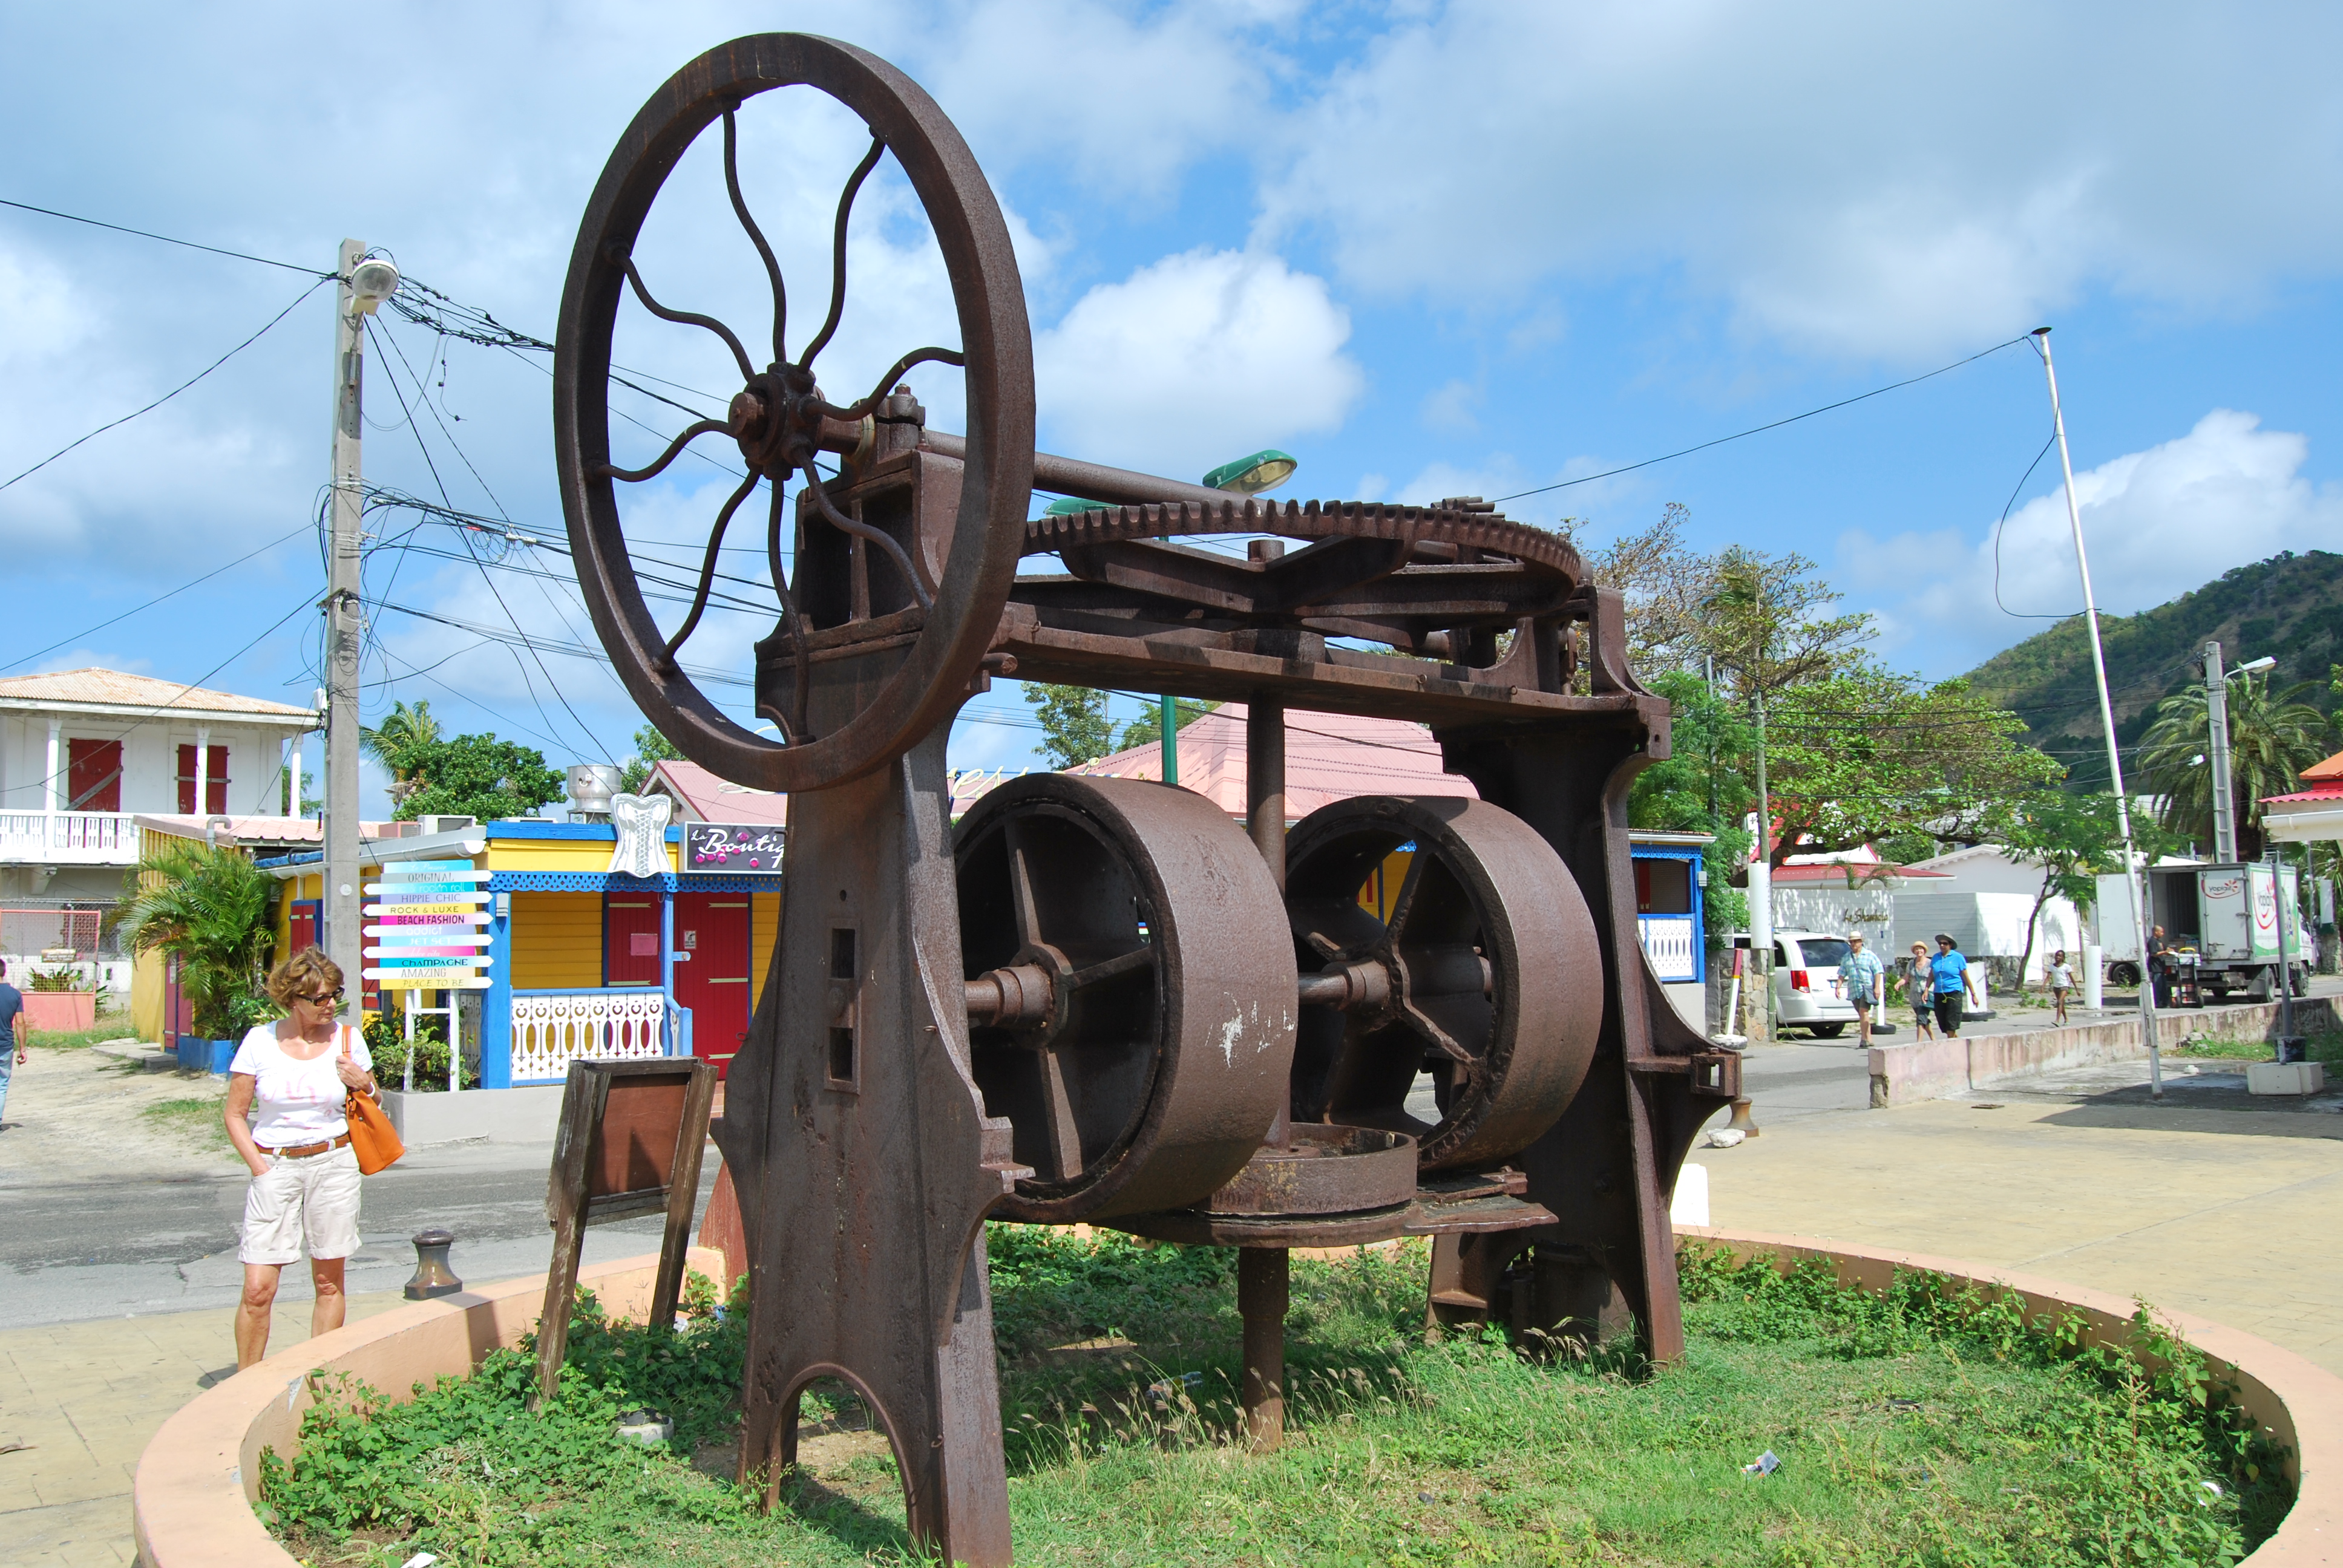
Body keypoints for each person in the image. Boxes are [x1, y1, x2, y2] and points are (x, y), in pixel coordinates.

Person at [224, 949, 378, 1370]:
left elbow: (374, 1097)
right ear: (293, 999)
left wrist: (363, 1083)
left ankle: (321, 1383)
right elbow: (234, 1114)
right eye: (320, 998)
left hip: (334, 1162)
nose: (330, 1005)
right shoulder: (260, 1042)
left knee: (329, 1281)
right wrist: (260, 1167)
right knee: (258, 1288)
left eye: (335, 995)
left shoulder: (347, 1040)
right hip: (275, 1166)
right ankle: (248, 1384)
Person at [1929, 934, 1982, 1038]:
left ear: (1951, 945)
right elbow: (1931, 975)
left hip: (1954, 992)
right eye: (1941, 944)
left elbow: (1966, 977)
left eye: (1945, 944)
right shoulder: (1936, 957)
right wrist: (1927, 989)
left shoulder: (1958, 958)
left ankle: (1951, 1047)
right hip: (1939, 992)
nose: (1942, 946)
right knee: (1943, 1023)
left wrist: (1973, 994)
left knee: (1952, 1023)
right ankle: (1957, 1042)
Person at [1839, 932, 1886, 1046]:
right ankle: (1869, 1039)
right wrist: (1838, 987)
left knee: (1864, 1012)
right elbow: (1842, 973)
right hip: (1854, 990)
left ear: (1861, 942)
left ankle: (1864, 1039)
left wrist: (1877, 988)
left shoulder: (1870, 955)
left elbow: (1878, 972)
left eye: (1856, 941)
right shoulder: (1847, 957)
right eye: (1851, 942)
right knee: (1862, 1015)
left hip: (1867, 988)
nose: (1854, 944)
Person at [0, 960, 25, 1128]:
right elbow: (21, 1023)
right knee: (2, 1084)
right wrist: (23, 1048)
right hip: (5, 1045)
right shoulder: (15, 995)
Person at [1901, 942, 1936, 1039]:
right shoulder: (1911, 963)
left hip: (1926, 994)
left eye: (1921, 949)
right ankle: (1933, 1039)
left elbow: (1934, 977)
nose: (1919, 951)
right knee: (1922, 1017)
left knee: (1921, 1018)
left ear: (1924, 951)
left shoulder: (1930, 963)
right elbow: (1907, 977)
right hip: (1914, 996)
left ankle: (1919, 1043)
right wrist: (1899, 983)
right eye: (1917, 949)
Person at [2045, 949, 2075, 1026]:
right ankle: (2066, 1019)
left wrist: (2077, 989)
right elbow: (2048, 977)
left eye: (2060, 956)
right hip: (2056, 987)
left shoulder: (2066, 967)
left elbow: (2071, 978)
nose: (2058, 957)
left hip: (2064, 986)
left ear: (2063, 958)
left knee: (2059, 1002)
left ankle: (2057, 1021)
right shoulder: (2052, 967)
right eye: (2057, 955)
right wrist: (2043, 986)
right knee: (2061, 1004)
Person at [2146, 925, 2174, 1008]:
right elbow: (2154, 954)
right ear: (2156, 932)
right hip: (2156, 968)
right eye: (2161, 932)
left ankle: (2165, 1002)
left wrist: (2170, 950)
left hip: (2162, 968)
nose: (2163, 934)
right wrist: (2164, 952)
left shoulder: (2159, 942)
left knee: (2164, 986)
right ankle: (2157, 1002)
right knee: (2157, 986)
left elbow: (2165, 949)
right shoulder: (2152, 942)